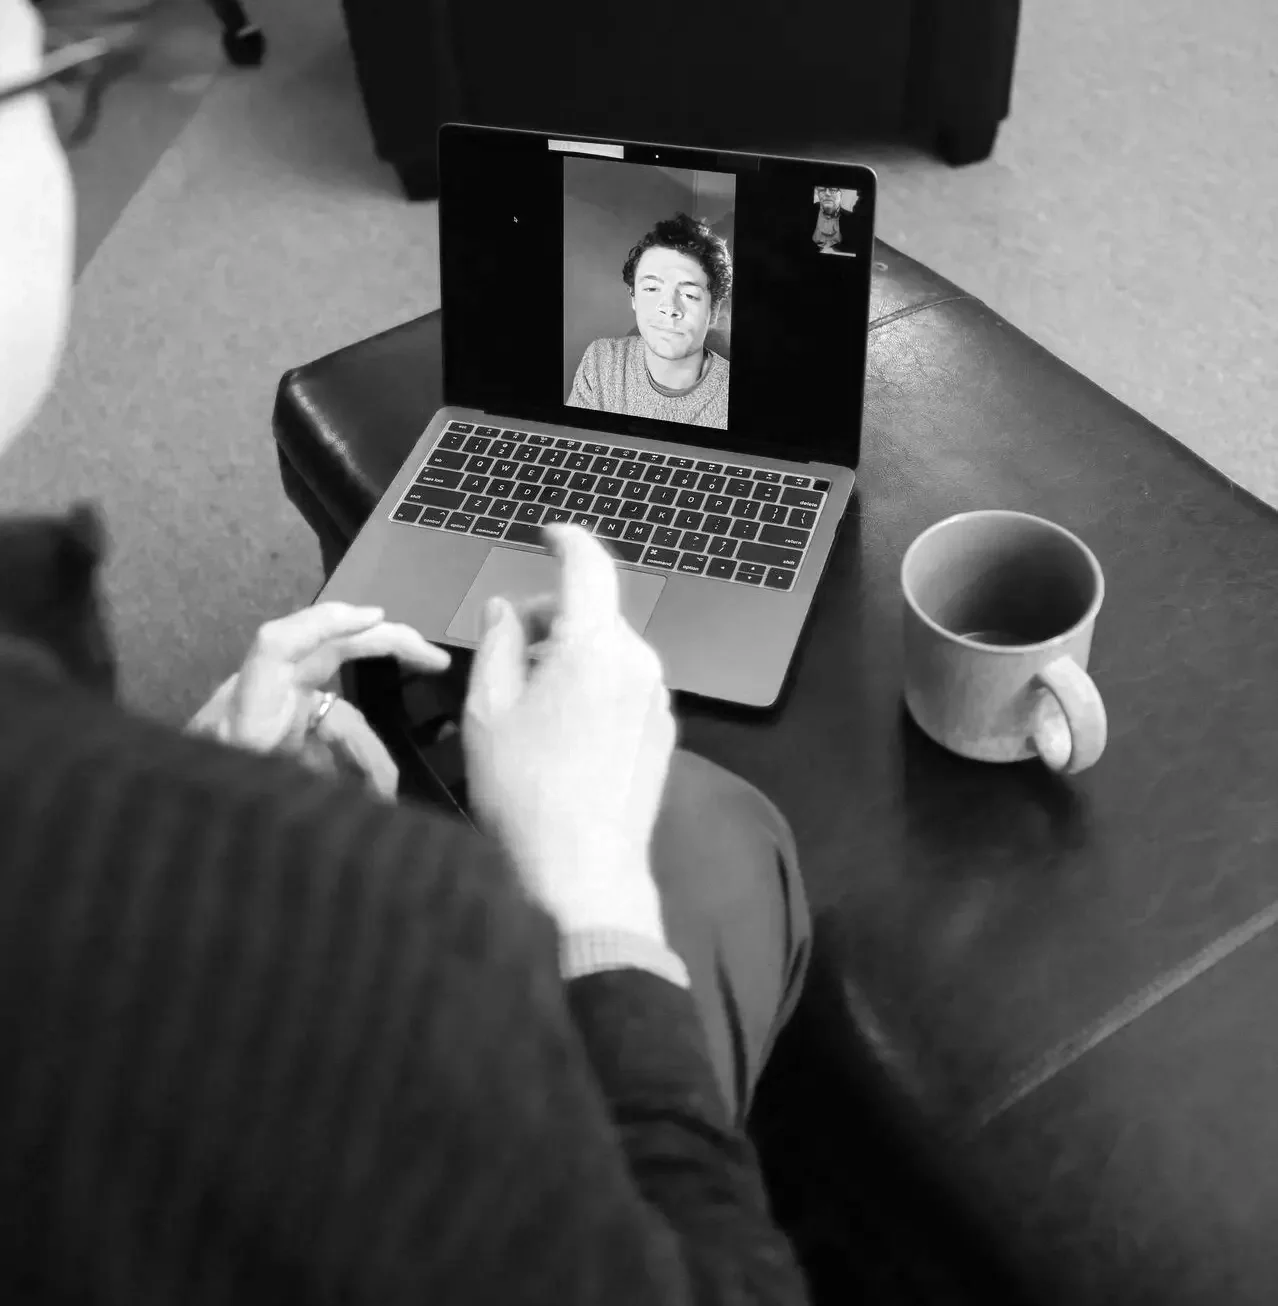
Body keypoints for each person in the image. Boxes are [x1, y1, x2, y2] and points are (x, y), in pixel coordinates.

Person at [0, 3, 813, 1302]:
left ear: (711, 308)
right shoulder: (371, 922)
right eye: (49, 83)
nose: (58, 127)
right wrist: (594, 890)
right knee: (716, 839)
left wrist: (190, 773)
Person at [567, 211, 731, 429]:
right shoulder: (601, 361)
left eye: (690, 295)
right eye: (652, 288)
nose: (669, 308)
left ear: (714, 309)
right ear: (633, 297)